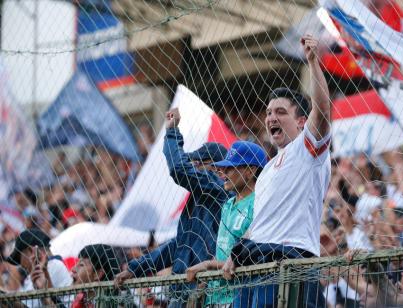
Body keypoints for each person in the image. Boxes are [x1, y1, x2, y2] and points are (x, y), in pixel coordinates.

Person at [223, 34, 331, 307]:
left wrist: (313, 63)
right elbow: (259, 223)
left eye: (281, 112)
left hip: (290, 261)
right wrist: (233, 256)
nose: (271, 117)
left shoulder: (308, 150)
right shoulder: (268, 169)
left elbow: (323, 112)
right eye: (269, 112)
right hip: (255, 263)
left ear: (301, 121)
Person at [115, 108, 231, 306]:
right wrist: (137, 268)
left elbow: (178, 168)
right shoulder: (200, 199)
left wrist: (172, 132)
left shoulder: (215, 186)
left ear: (214, 167)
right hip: (185, 289)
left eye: (197, 164)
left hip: (203, 289)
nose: (193, 168)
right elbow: (180, 244)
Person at [185, 141, 267, 307]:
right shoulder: (228, 204)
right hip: (214, 297)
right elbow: (223, 250)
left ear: (250, 170)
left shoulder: (259, 203)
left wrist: (209, 265)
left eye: (230, 167)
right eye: (222, 167)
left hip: (239, 297)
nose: (222, 172)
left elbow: (252, 260)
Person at [31, 244, 120, 307]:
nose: (73, 269)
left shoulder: (116, 304)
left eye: (81, 265)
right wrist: (43, 288)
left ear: (98, 274)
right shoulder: (82, 299)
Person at [6, 228, 72, 307]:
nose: (21, 264)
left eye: (19, 257)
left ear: (31, 251)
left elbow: (29, 306)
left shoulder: (53, 265)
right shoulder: (37, 272)